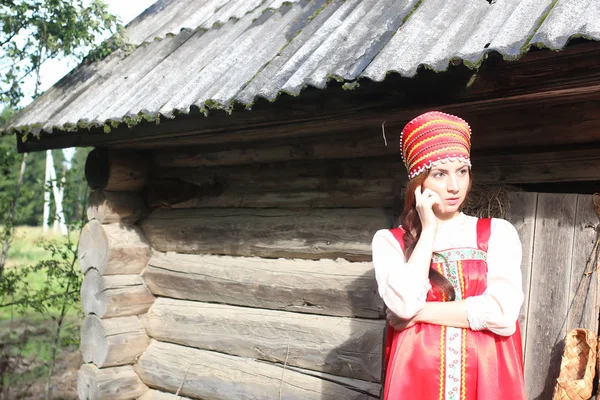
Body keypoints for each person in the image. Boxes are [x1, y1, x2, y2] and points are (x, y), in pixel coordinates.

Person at [372, 111, 526, 400]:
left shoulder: (497, 233)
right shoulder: (389, 241)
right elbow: (403, 303)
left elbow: (504, 314)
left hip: (487, 375)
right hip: (416, 378)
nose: (454, 186)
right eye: (440, 174)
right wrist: (428, 229)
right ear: (419, 183)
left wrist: (421, 314)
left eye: (462, 171)